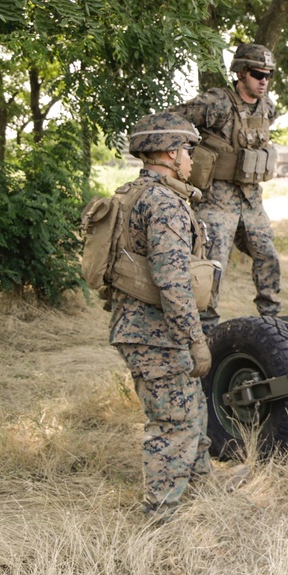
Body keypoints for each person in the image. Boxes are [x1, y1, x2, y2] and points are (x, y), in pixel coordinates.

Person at [110, 113, 215, 523]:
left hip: (139, 326)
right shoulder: (165, 203)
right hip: (155, 332)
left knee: (192, 406)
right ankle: (160, 515)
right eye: (188, 150)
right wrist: (195, 338)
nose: (192, 158)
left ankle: (202, 485)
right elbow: (173, 281)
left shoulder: (132, 194)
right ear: (171, 154)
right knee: (174, 422)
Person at [169, 42, 282, 334]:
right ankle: (205, 331)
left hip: (251, 198)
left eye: (269, 75)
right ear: (241, 73)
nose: (264, 81)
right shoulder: (217, 103)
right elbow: (173, 119)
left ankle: (273, 322)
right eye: (258, 74)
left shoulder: (268, 106)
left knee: (267, 254)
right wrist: (185, 155)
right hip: (216, 199)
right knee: (213, 266)